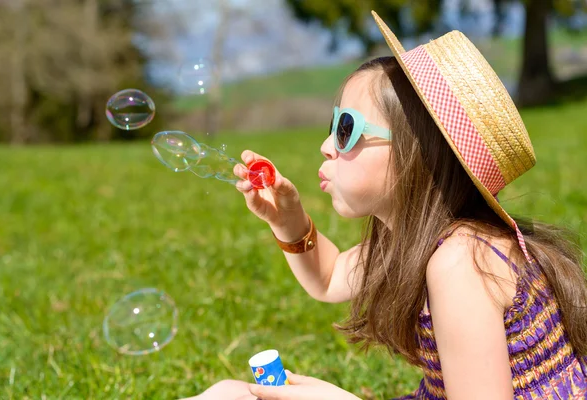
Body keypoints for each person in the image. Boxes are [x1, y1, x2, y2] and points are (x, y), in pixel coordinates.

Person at [183, 11, 587, 400]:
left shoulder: (462, 261)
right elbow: (328, 277)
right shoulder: (419, 241)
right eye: (332, 125)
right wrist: (290, 222)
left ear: (416, 154)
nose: (325, 146)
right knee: (226, 393)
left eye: (346, 129)